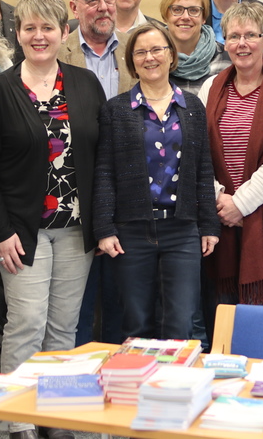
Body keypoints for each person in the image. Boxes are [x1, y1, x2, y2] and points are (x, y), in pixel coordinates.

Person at [0, 0, 106, 439]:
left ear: (63, 32)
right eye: (29, 27)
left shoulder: (85, 84)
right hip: (22, 233)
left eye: (47, 27)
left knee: (63, 326)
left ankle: (55, 416)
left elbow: (100, 157)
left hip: (75, 231)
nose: (38, 35)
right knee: (25, 324)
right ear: (17, 34)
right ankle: (18, 422)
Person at [94, 21, 221, 339]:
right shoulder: (116, 110)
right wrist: (105, 229)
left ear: (170, 55)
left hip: (181, 231)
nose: (149, 58)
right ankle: (136, 388)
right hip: (132, 233)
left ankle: (173, 389)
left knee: (180, 324)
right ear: (131, 60)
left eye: (157, 50)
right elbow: (105, 172)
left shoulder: (191, 107)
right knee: (137, 324)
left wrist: (208, 226)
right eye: (141, 52)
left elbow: (204, 169)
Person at [199, 2, 263, 306]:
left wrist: (240, 204)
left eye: (250, 35)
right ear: (225, 42)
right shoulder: (210, 88)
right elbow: (200, 153)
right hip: (218, 211)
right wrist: (221, 199)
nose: (242, 44)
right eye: (233, 36)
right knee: (220, 305)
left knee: (260, 308)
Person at [62, 0, 133, 346]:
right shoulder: (58, 53)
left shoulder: (138, 49)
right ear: (75, 7)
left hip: (128, 193)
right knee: (77, 306)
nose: (104, 7)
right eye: (92, 0)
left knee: (122, 304)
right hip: (75, 192)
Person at [161, 0, 230, 94]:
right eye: (177, 10)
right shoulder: (154, 58)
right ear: (165, 16)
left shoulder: (226, 59)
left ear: (203, 18)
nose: (185, 17)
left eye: (193, 10)